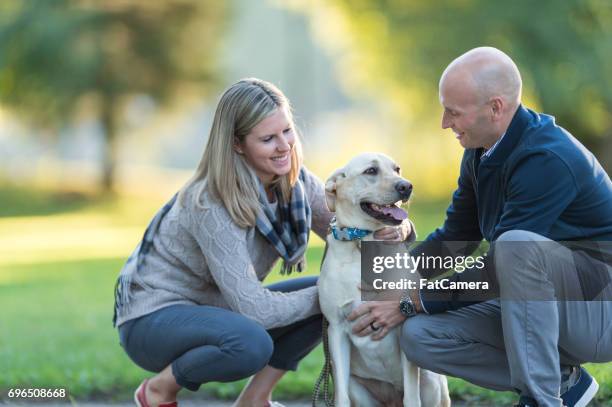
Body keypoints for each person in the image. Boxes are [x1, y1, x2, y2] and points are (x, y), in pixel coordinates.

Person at [113, 78, 410, 407]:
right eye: (268, 138)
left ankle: (255, 400)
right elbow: (254, 310)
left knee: (321, 294)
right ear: (238, 145)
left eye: (287, 131)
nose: (284, 146)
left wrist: (397, 228)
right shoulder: (209, 202)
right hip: (152, 320)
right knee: (251, 342)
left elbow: (349, 233)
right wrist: (333, 295)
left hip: (215, 311)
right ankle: (158, 390)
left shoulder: (297, 184)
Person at [347, 47, 612, 407]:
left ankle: (541, 398)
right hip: (537, 302)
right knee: (421, 336)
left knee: (514, 245)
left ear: (496, 108)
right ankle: (565, 382)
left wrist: (412, 301)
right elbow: (457, 237)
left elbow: (501, 266)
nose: (444, 122)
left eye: (453, 112)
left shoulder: (547, 158)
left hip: (598, 311)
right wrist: (383, 283)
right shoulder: (480, 150)